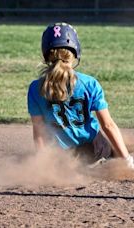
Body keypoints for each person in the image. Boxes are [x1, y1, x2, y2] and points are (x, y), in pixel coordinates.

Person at [27, 22, 134, 168]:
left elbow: (39, 133)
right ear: (75, 52)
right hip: (93, 151)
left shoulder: (35, 88)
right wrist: (127, 160)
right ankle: (108, 161)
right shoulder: (89, 83)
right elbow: (108, 125)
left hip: (63, 159)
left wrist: (43, 166)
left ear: (45, 53)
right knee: (117, 144)